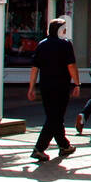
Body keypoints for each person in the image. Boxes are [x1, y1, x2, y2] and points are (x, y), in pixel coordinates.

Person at [28, 18, 81, 162]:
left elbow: (34, 68)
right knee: (54, 118)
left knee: (54, 116)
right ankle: (39, 148)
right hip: (60, 86)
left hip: (45, 86)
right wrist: (77, 84)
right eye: (64, 29)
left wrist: (31, 87)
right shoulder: (65, 44)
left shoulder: (41, 44)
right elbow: (71, 65)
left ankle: (64, 145)